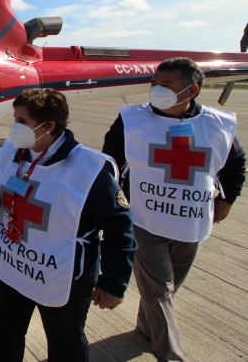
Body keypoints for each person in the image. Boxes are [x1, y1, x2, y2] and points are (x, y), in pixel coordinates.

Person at [102, 57, 246, 361]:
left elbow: (235, 164)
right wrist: (117, 204)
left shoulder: (216, 125)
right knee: (159, 291)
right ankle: (170, 355)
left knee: (166, 288)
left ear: (191, 90)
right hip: (145, 220)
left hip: (191, 223)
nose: (156, 89)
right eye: (154, 84)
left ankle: (145, 326)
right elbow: (110, 162)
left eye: (165, 85)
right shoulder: (132, 119)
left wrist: (227, 199)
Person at [0, 88, 136, 362]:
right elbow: (0, 179)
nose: (15, 127)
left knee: (66, 345)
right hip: (12, 269)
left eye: (22, 121)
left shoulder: (89, 170)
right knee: (3, 335)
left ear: (48, 126)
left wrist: (114, 282)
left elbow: (119, 226)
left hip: (62, 277)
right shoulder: (12, 151)